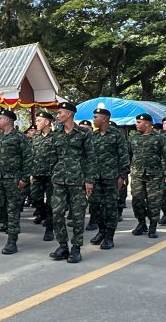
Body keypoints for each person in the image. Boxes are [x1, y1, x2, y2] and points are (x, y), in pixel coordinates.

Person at [48, 102, 96, 264]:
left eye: (60, 112)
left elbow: (91, 158)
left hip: (78, 180)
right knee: (57, 213)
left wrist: (90, 180)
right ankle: (63, 246)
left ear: (69, 114)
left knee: (77, 215)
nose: (58, 115)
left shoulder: (84, 134)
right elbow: (53, 158)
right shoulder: (57, 135)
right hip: (59, 180)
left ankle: (76, 248)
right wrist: (52, 174)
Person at [0, 109, 31, 255]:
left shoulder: (19, 137)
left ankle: (12, 240)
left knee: (13, 208)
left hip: (13, 178)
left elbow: (28, 158)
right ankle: (7, 223)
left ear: (8, 120)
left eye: (1, 118)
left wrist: (24, 178)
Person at [89, 107, 130, 250]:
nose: (94, 119)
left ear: (104, 118)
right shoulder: (93, 136)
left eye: (96, 117)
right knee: (94, 205)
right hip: (95, 177)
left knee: (110, 207)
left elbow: (124, 156)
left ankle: (109, 237)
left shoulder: (117, 134)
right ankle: (102, 230)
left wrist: (122, 176)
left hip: (111, 177)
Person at [128, 114, 166, 238]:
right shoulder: (133, 137)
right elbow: (128, 155)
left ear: (147, 123)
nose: (136, 124)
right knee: (137, 200)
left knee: (154, 201)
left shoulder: (159, 138)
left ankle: (153, 226)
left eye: (139, 122)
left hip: (154, 175)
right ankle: (141, 223)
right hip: (137, 174)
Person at [30, 111, 56, 241]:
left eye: (39, 120)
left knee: (52, 203)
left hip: (51, 176)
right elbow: (32, 156)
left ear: (47, 122)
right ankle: (43, 215)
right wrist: (31, 173)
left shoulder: (56, 137)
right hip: (38, 175)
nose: (37, 123)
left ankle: (50, 228)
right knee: (35, 199)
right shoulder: (36, 138)